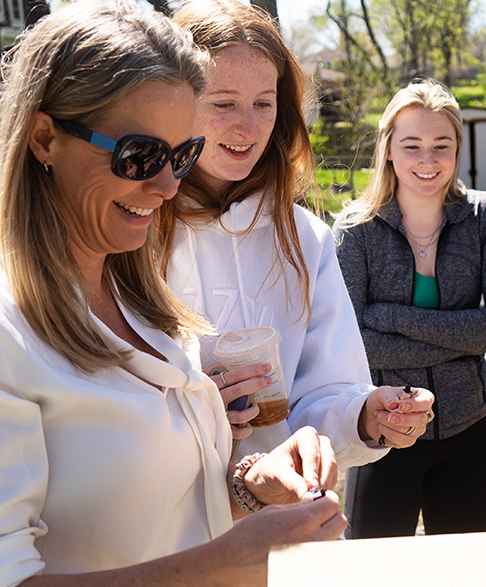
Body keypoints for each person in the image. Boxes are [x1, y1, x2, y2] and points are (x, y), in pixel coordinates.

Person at [0, 1, 346, 584]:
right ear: (45, 138)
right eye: (140, 156)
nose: (167, 185)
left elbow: (141, 509)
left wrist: (247, 488)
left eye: (183, 155)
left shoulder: (132, 289)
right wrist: (229, 558)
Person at [160, 0, 434, 468]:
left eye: (263, 104)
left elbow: (324, 392)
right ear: (170, 103)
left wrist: (365, 416)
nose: (247, 127)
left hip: (288, 513)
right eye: (223, 102)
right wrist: (198, 407)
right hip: (170, 524)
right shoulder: (132, 227)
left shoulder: (305, 236)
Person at [331, 78, 486, 538]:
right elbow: (352, 342)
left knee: (462, 572)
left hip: (470, 429)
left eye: (442, 144)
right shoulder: (355, 228)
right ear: (389, 150)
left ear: (458, 148)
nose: (427, 160)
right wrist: (459, 342)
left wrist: (391, 317)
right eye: (412, 145)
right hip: (382, 429)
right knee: (373, 571)